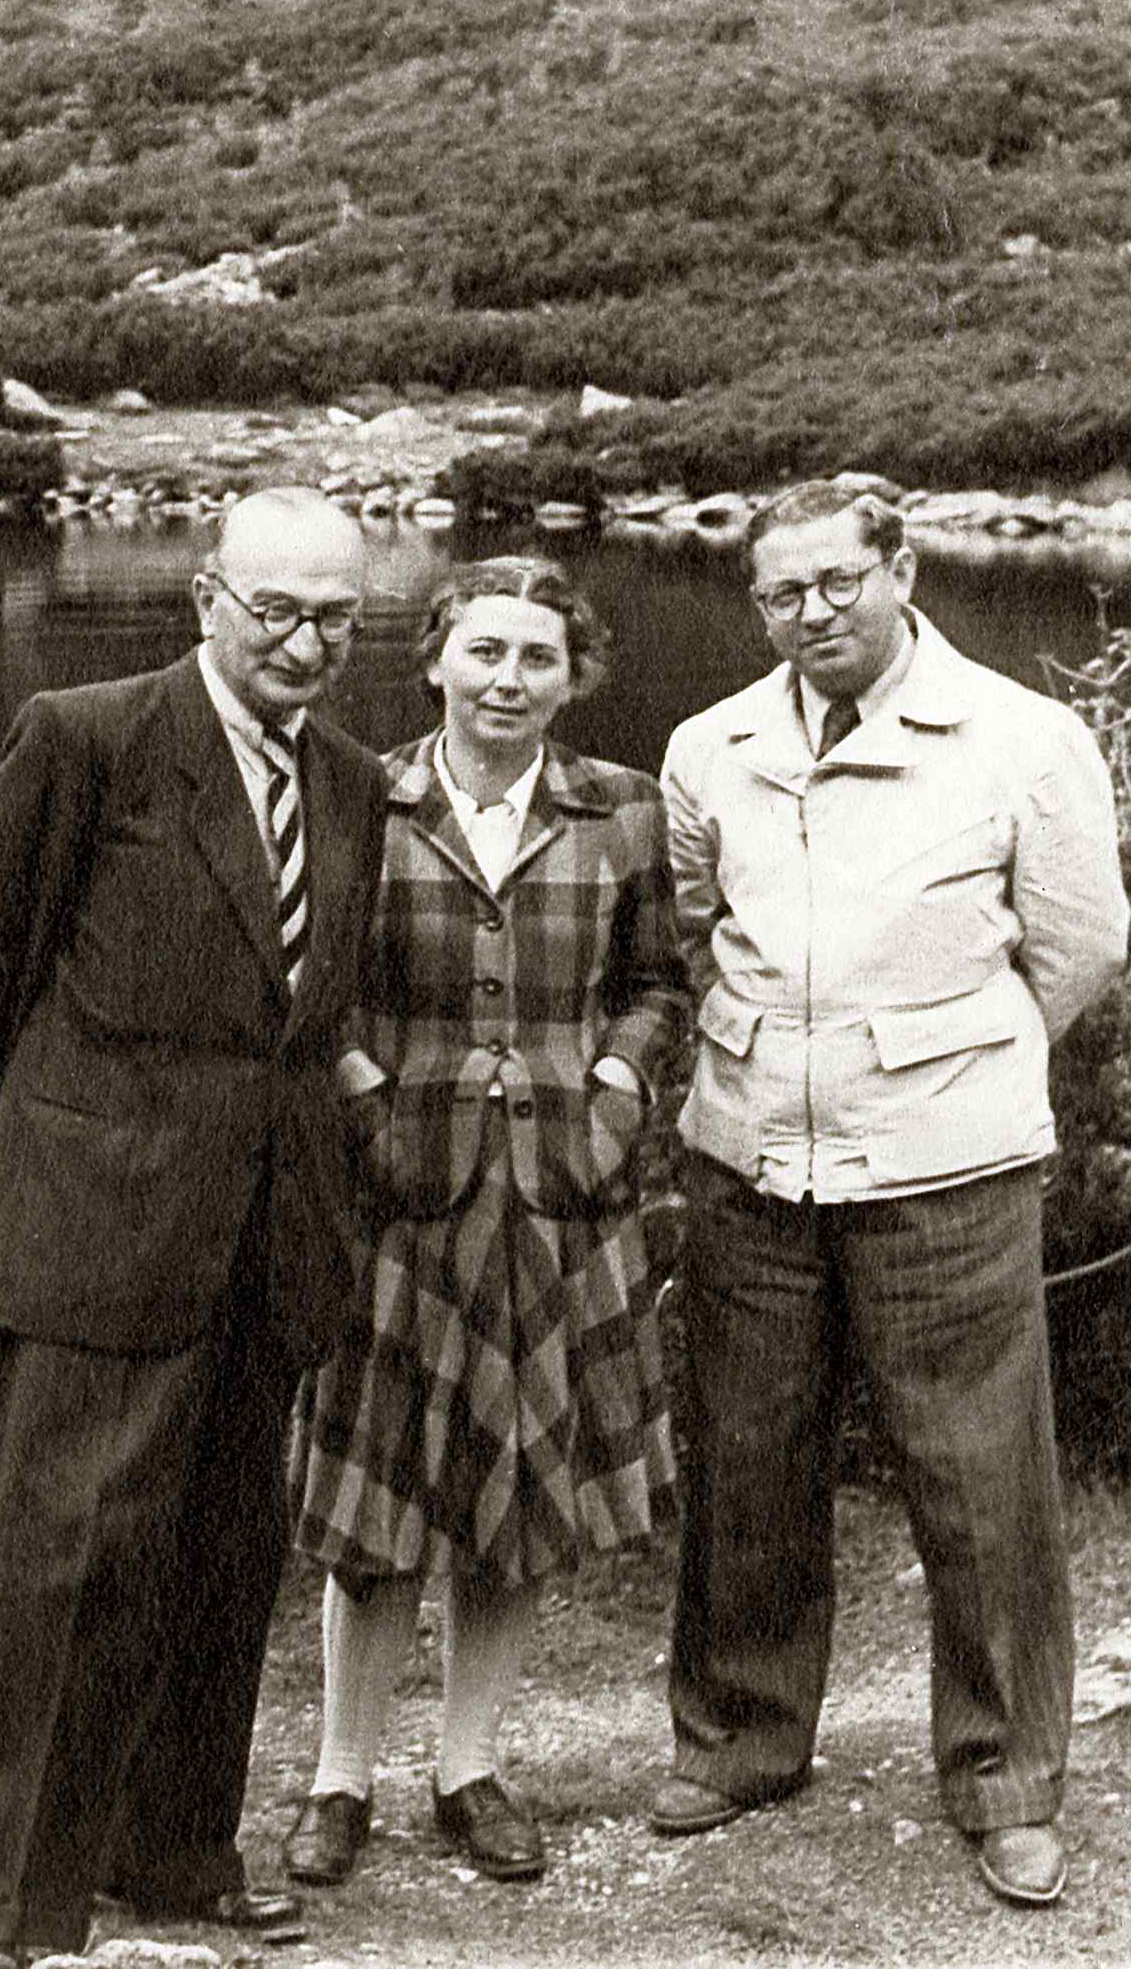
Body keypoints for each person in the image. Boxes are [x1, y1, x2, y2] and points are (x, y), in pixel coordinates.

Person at [0, 486, 390, 1969]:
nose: (304, 644)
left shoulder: (352, 781)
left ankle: (174, 1852)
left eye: (335, 618)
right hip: (93, 1231)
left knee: (220, 1555)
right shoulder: (89, 736)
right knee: (55, 1570)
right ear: (207, 600)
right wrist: (64, 1151)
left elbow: (305, 1013)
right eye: (276, 611)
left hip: (266, 1235)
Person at [650, 480, 1129, 1907]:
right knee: (747, 1458)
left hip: (947, 1169)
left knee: (979, 1481)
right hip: (751, 1158)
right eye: (780, 594)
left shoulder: (1022, 739)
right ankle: (742, 1737)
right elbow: (700, 929)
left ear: (902, 570)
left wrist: (950, 1068)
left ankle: (1007, 1780)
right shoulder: (711, 746)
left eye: (837, 583)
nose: (811, 615)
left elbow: (1078, 947)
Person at [284, 556, 689, 1889]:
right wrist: (366, 1100)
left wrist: (616, 1089)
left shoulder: (622, 809)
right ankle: (340, 1780)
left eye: (538, 659)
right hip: (399, 1195)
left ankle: (469, 1768)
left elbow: (658, 983)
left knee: (520, 1483)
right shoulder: (359, 797)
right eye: (486, 652)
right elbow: (314, 985)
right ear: (437, 663)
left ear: (574, 679)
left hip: (564, 1193)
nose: (509, 681)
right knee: (377, 1501)